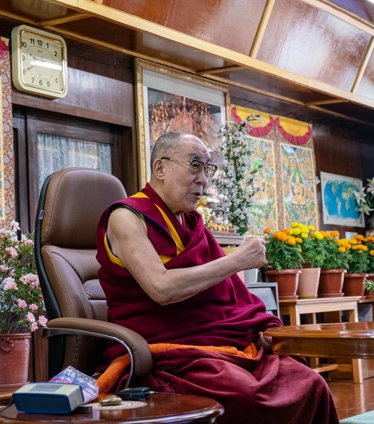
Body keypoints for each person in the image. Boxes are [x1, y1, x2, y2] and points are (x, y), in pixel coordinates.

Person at [95, 131, 338, 423]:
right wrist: (236, 260)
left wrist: (262, 326)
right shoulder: (126, 216)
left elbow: (232, 295)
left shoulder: (192, 224)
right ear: (160, 168)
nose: (203, 181)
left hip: (218, 342)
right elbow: (160, 288)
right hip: (167, 350)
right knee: (248, 396)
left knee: (311, 383)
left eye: (207, 170)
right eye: (195, 166)